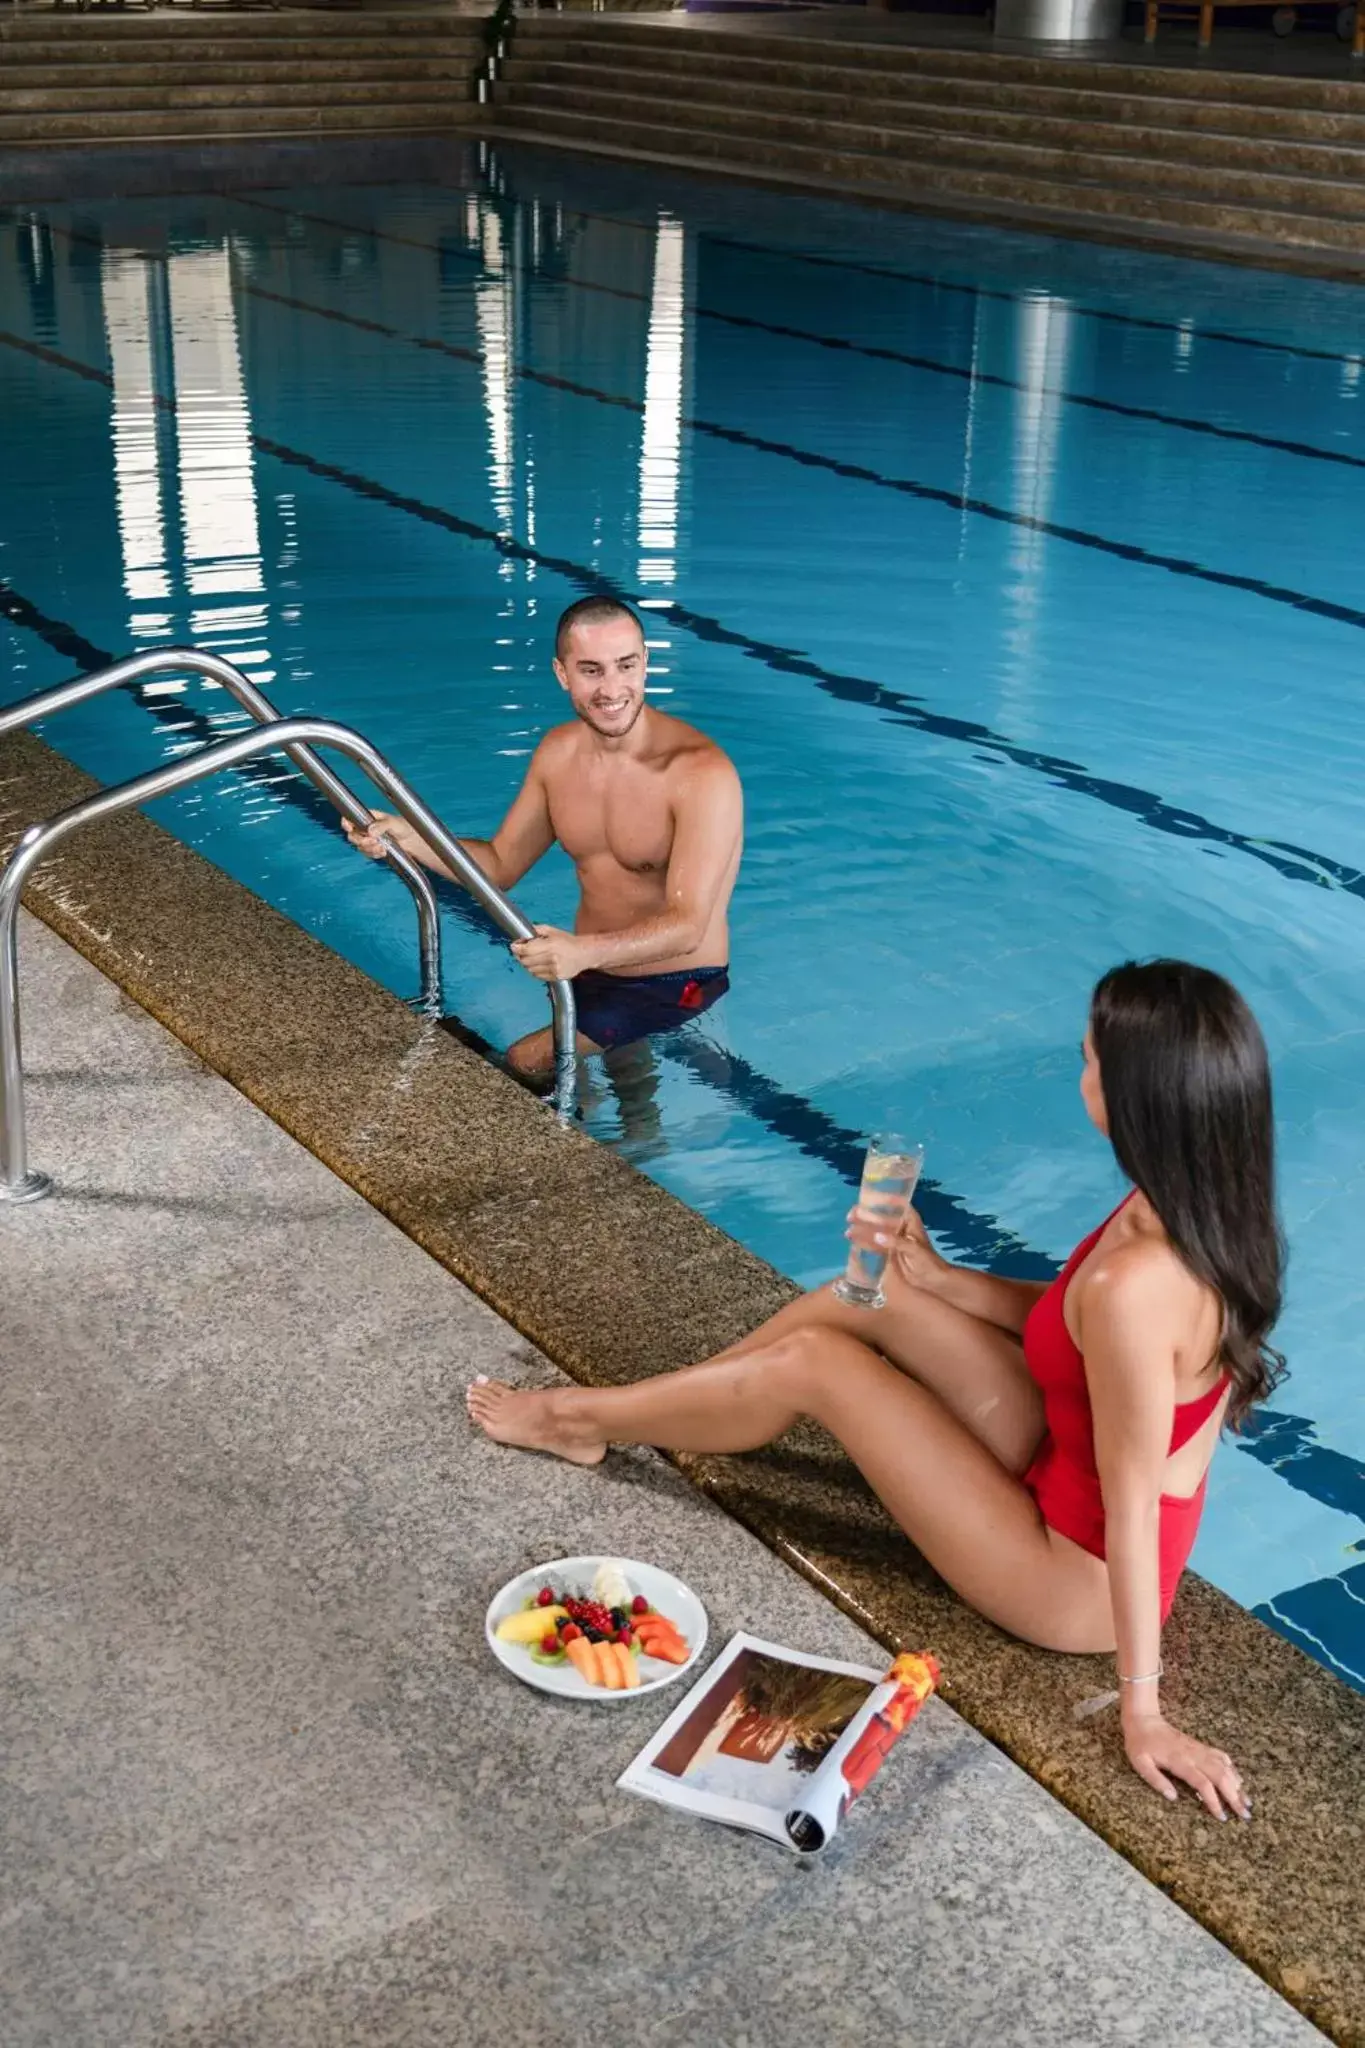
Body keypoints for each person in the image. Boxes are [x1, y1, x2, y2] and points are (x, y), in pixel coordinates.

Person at [468, 960, 1284, 1818]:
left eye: (1087, 1059)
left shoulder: (1140, 1285)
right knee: (868, 1292)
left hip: (1071, 1574)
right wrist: (935, 1276)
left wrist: (1143, 1714)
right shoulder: (1185, 1203)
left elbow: (1130, 1504)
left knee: (816, 1361)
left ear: (1139, 1094)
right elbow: (1071, 1318)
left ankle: (579, 1418)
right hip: (1058, 1451)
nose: (1076, 1069)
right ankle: (684, 1402)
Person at [345, 597, 743, 1079]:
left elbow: (689, 926)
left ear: (646, 664)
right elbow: (499, 865)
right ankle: (637, 1137)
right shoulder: (558, 756)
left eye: (626, 666)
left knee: (525, 1062)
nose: (612, 688)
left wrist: (582, 952)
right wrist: (408, 835)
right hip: (593, 967)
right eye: (591, 670)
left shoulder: (700, 775)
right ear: (562, 673)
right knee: (613, 1087)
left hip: (678, 979)